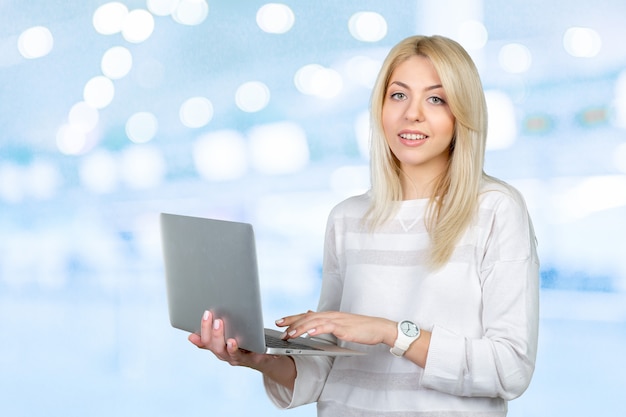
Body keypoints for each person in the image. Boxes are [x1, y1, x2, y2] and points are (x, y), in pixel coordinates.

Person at [188, 34, 540, 416]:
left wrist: (392, 332)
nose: (413, 114)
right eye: (399, 95)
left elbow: (510, 368)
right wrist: (258, 359)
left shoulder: (495, 210)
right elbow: (328, 369)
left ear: (462, 114)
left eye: (436, 99)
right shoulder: (347, 218)